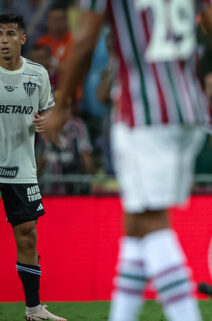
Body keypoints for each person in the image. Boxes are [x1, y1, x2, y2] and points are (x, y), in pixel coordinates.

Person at [43, 1, 212, 321]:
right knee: (136, 224)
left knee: (152, 223)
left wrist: (63, 102)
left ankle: (186, 315)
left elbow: (84, 41)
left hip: (144, 115)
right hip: (190, 111)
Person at [0, 14, 66, 321]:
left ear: (22, 39)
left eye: (10, 33)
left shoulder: (37, 75)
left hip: (20, 166)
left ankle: (34, 310)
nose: (3, 40)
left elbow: (52, 118)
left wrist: (46, 123)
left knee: (27, 235)